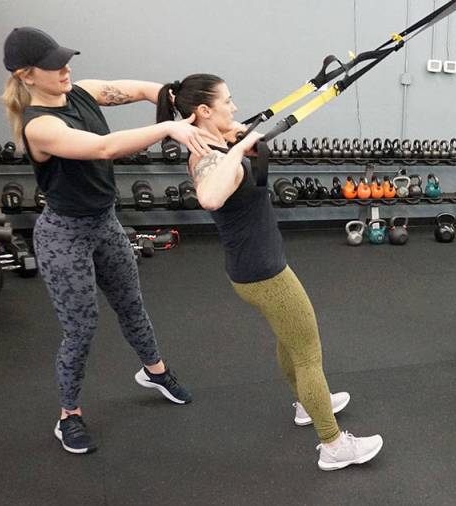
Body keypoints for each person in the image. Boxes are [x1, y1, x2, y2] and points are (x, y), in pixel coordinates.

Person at [0, 27, 214, 455]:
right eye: (54, 65)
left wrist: (174, 96)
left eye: (65, 60)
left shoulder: (79, 91)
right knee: (81, 328)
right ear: (26, 75)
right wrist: (167, 129)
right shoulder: (38, 126)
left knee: (131, 304)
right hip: (64, 236)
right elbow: (103, 147)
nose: (66, 69)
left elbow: (135, 89)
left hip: (105, 223)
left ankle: (154, 371)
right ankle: (69, 416)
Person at [157, 74, 383, 471]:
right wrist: (238, 148)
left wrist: (253, 146)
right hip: (263, 271)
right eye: (227, 101)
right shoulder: (207, 155)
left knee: (289, 340)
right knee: (309, 353)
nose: (235, 107)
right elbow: (210, 197)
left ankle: (307, 405)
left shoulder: (218, 145)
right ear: (204, 111)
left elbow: (257, 185)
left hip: (254, 264)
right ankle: (332, 445)